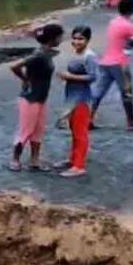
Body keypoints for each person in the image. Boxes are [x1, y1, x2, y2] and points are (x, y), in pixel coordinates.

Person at [8, 24, 64, 172]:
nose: (62, 39)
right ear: (53, 38)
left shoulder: (46, 52)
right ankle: (15, 159)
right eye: (60, 36)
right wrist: (25, 79)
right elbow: (14, 66)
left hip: (40, 98)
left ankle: (34, 160)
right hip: (30, 98)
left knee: (38, 130)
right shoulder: (39, 54)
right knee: (25, 130)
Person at [91, 0, 133, 132]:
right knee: (127, 93)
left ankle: (87, 119)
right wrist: (130, 43)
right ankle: (131, 124)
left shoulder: (113, 22)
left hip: (105, 61)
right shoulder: (129, 26)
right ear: (132, 10)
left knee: (98, 93)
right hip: (120, 63)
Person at [55, 26, 98, 178]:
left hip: (82, 98)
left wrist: (69, 77)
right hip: (72, 96)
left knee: (80, 132)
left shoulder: (89, 56)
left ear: (87, 40)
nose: (76, 41)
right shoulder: (77, 54)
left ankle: (79, 166)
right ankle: (73, 159)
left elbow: (93, 77)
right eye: (74, 38)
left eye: (80, 39)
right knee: (74, 130)